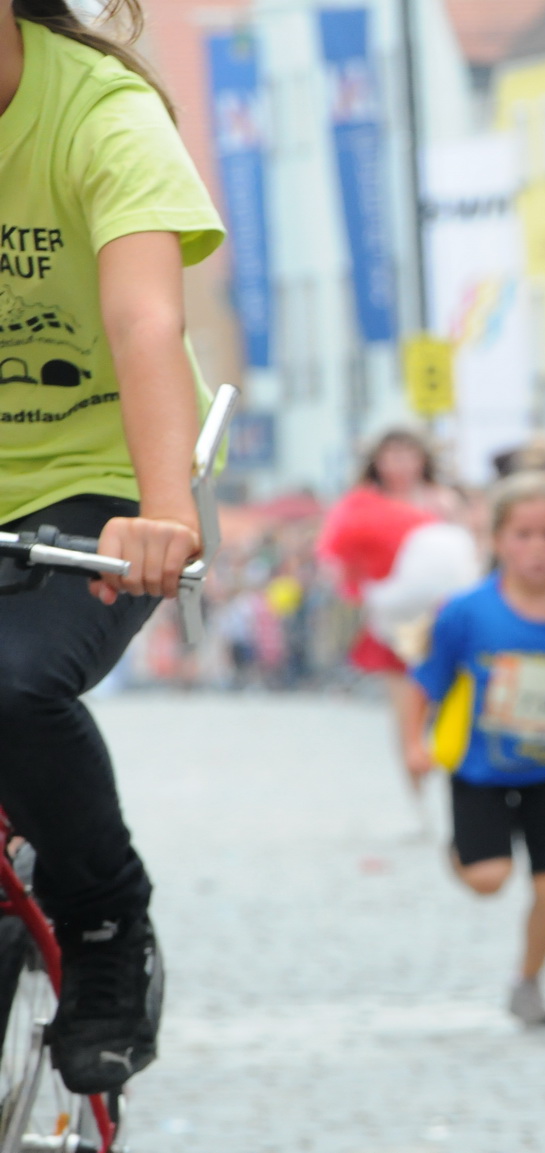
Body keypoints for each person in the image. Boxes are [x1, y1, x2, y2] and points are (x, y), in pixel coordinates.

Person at [0, 0, 225, 1092]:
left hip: (98, 481)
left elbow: (145, 322)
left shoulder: (100, 112)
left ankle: (103, 929)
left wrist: (165, 510)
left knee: (9, 684)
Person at [404, 473, 545, 1028]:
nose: (537, 548)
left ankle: (529, 981)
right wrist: (414, 743)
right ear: (498, 541)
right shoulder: (467, 611)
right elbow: (424, 681)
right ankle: (462, 852)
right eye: (523, 535)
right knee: (489, 879)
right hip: (480, 770)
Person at [318, 429, 474, 810]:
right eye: (392, 455)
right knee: (407, 712)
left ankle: (451, 782)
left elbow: (465, 552)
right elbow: (336, 558)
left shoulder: (442, 502)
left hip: (445, 619)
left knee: (450, 702)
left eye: (408, 454)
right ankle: (417, 797)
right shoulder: (361, 505)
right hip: (393, 623)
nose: (401, 464)